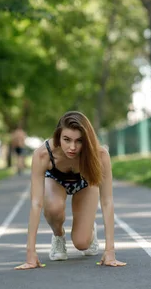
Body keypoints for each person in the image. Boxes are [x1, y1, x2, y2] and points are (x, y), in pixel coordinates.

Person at [15, 111, 126, 270]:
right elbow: (36, 203)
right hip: (55, 181)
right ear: (58, 136)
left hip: (85, 184)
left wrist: (110, 251)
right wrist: (30, 254)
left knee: (82, 244)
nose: (72, 147)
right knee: (53, 208)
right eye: (67, 140)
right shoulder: (43, 154)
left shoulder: (99, 154)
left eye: (79, 141)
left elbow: (107, 201)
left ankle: (89, 231)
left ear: (86, 140)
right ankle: (58, 236)